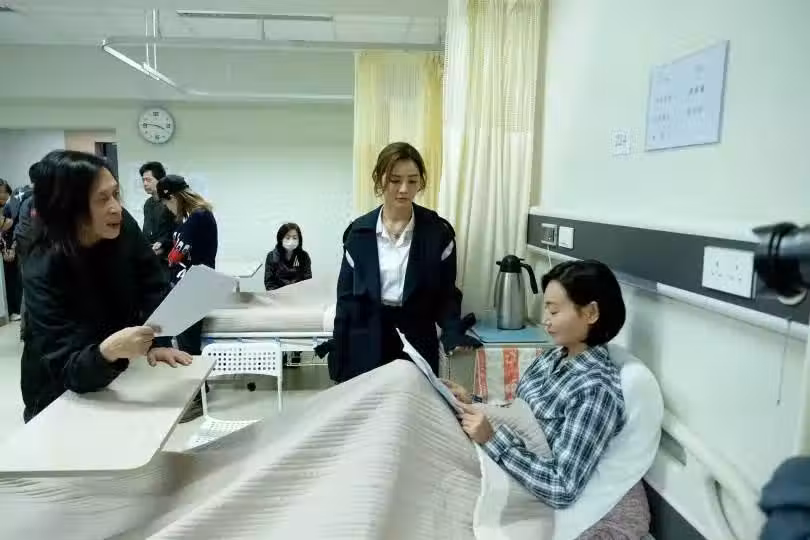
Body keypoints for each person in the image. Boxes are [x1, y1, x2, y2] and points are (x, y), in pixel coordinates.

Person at [20, 150, 192, 423]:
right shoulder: (42, 268)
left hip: (114, 372)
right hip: (57, 391)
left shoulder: (122, 225)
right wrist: (108, 351)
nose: (115, 207)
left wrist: (156, 342)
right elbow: (66, 368)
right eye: (102, 199)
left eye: (115, 194)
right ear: (68, 208)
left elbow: (152, 284)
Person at [442, 259, 627, 509]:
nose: (546, 320)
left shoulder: (594, 391)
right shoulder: (553, 356)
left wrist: (491, 440)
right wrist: (471, 400)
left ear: (591, 313)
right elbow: (517, 414)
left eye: (554, 312)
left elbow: (561, 487)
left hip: (515, 483)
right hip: (493, 457)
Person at [330, 141, 480, 384]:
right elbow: (346, 299)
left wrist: (452, 331)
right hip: (367, 336)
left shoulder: (437, 234)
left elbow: (446, 295)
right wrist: (339, 352)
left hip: (417, 336)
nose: (403, 189)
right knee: (372, 401)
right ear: (380, 179)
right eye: (395, 180)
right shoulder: (358, 234)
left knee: (415, 400)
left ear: (421, 182)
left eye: (412, 181)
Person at [158, 174, 217, 422]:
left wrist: (167, 255)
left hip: (195, 287)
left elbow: (177, 255)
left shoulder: (198, 217)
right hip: (189, 286)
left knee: (188, 345)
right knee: (184, 342)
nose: (166, 207)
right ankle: (199, 392)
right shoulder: (192, 217)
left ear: (172, 196)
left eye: (165, 202)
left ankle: (197, 400)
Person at [139, 161, 175, 263]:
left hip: (168, 259)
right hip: (151, 257)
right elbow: (147, 230)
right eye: (143, 180)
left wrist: (162, 243)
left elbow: (176, 232)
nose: (145, 184)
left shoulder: (171, 202)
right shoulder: (148, 204)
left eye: (148, 180)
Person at [264, 223, 312, 291]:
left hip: (299, 294)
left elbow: (307, 281)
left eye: (295, 238)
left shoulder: (304, 256)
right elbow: (269, 283)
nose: (291, 241)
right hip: (277, 295)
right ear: (281, 239)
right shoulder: (271, 256)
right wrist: (279, 294)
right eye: (287, 238)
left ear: (299, 239)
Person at [0, 179, 21, 320]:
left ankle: (15, 310)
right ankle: (12, 309)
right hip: (5, 247)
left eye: (1, 192)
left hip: (12, 246)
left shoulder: (13, 204)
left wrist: (12, 247)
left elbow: (14, 227)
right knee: (8, 279)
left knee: (13, 279)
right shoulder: (5, 205)